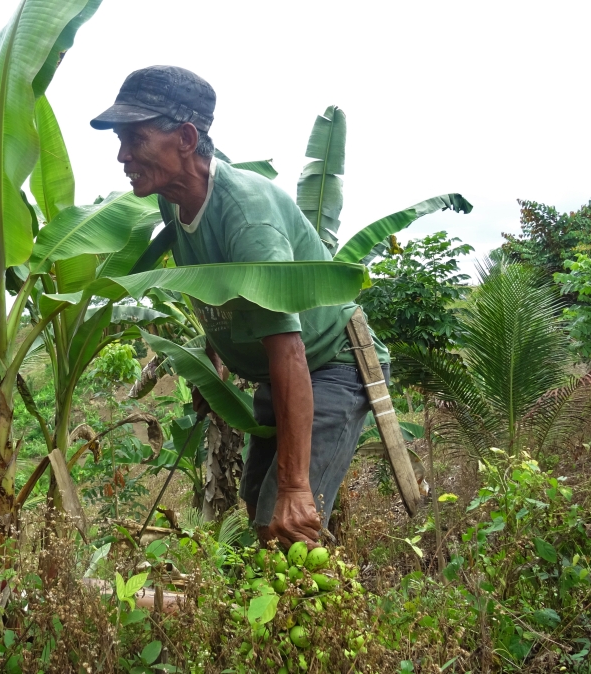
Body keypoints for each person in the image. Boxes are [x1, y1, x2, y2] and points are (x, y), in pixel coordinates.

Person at [90, 66, 390, 549]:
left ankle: (315, 614)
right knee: (256, 501)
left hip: (328, 364)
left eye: (135, 139)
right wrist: (214, 361)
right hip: (282, 374)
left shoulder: (248, 216)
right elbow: (211, 282)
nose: (123, 156)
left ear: (185, 138)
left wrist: (296, 486)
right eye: (121, 141)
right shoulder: (173, 198)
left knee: (287, 515)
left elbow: (288, 348)